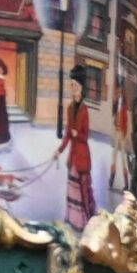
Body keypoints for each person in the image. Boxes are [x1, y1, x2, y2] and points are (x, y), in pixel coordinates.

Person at [59, 74, 96, 229]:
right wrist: (59, 150)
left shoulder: (84, 110)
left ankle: (83, 221)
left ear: (81, 89)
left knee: (83, 190)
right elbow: (68, 132)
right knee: (72, 189)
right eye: (72, 85)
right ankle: (72, 220)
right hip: (73, 155)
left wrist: (77, 135)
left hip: (82, 154)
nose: (73, 89)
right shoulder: (70, 108)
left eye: (76, 86)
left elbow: (85, 135)